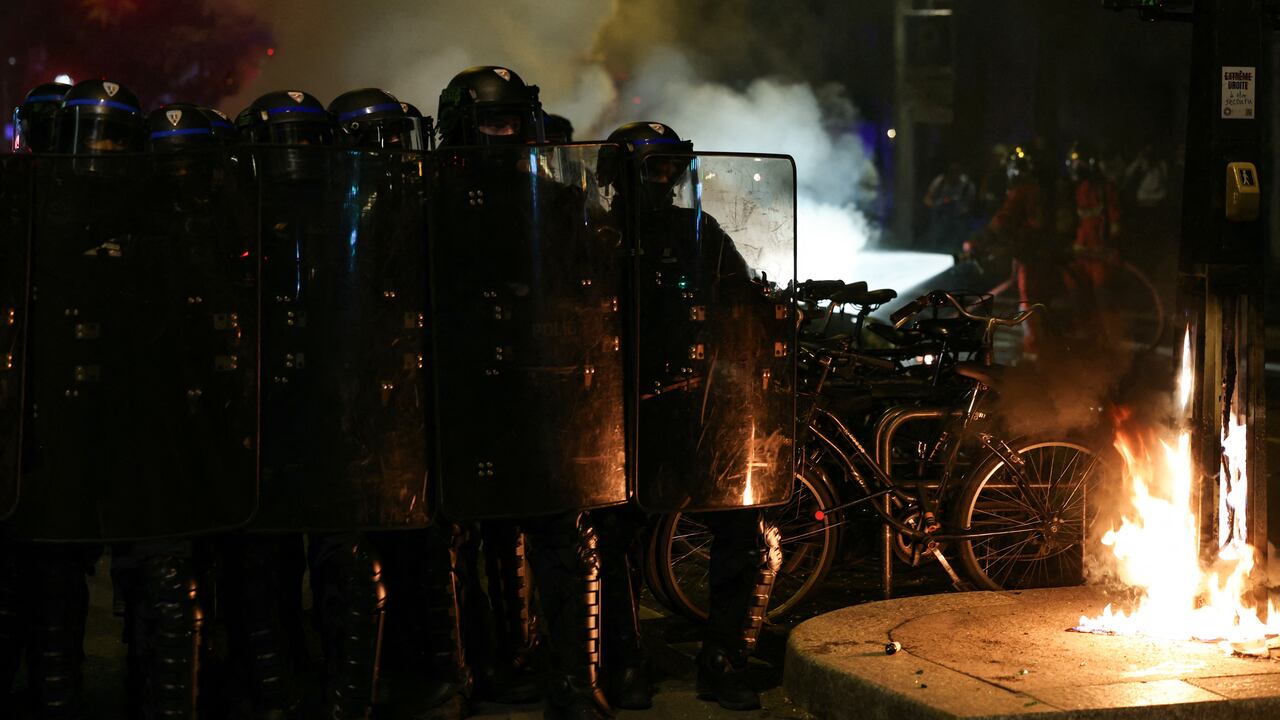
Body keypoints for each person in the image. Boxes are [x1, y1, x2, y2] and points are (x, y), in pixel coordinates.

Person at [600, 121, 784, 712]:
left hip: (695, 407)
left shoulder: (698, 231)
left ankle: (724, 659)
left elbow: (742, 302)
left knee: (746, 532)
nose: (660, 182)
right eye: (648, 171)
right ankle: (623, 662)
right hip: (620, 416)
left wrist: (769, 323)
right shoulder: (594, 236)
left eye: (666, 170)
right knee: (607, 539)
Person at [921, 161, 976, 251]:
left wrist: (962, 210)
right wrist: (936, 206)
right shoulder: (940, 181)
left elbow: (971, 204)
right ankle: (934, 249)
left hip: (959, 218)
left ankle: (964, 252)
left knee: (964, 236)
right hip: (940, 217)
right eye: (951, 172)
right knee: (935, 233)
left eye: (956, 172)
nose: (953, 175)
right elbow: (927, 198)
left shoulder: (967, 185)